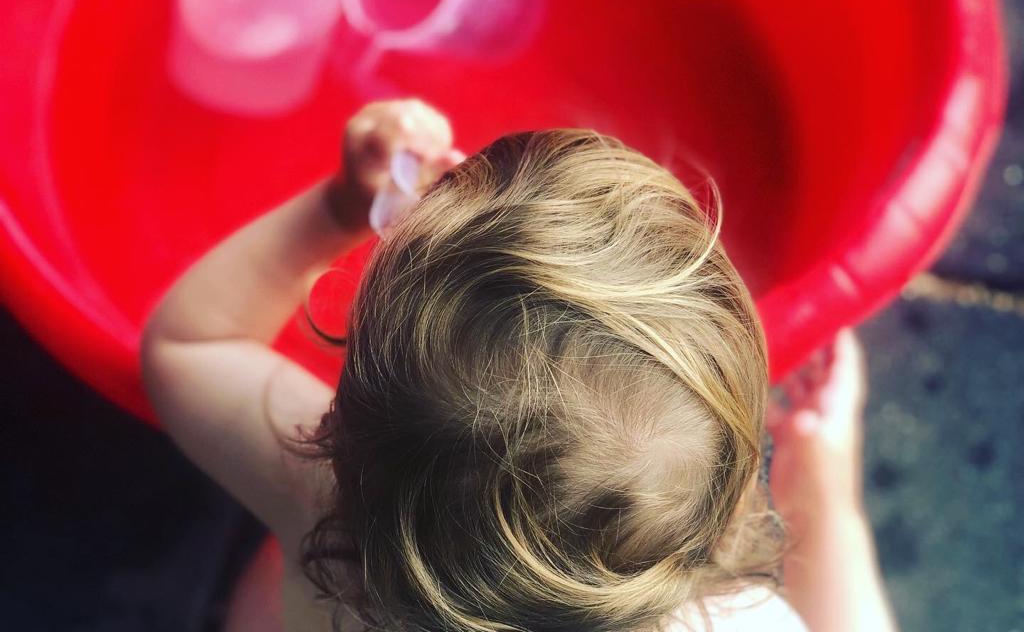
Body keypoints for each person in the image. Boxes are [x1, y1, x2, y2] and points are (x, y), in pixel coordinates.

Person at [141, 99, 899, 632]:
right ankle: (821, 481)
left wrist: (339, 210)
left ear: (345, 438)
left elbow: (192, 345)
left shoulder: (321, 510)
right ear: (722, 514)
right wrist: (825, 501)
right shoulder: (738, 623)